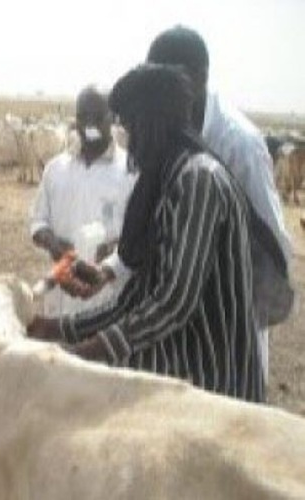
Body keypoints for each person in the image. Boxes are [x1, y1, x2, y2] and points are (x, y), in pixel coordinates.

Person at [28, 64, 265, 403]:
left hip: (215, 387)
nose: (131, 143)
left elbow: (173, 301)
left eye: (132, 128)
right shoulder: (166, 182)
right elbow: (136, 298)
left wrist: (87, 352)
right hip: (183, 386)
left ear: (152, 124)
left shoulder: (197, 181)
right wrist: (58, 328)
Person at [145, 25, 292, 381]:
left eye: (167, 81)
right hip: (181, 332)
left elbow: (273, 247)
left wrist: (229, 308)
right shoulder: (167, 132)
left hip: (233, 332)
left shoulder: (239, 144)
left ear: (199, 78)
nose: (157, 93)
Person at [29, 85, 135, 316]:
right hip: (60, 296)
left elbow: (139, 237)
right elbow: (38, 223)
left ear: (112, 118)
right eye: (83, 117)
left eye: (97, 117)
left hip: (106, 298)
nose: (89, 125)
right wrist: (54, 244)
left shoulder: (130, 172)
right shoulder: (55, 169)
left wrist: (113, 248)